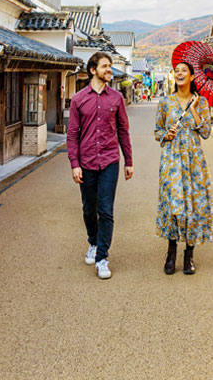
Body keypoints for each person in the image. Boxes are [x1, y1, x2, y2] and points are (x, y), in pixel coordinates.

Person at [67, 51, 134, 279]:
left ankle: (102, 257)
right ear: (93, 70)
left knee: (106, 210)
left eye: (111, 66)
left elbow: (123, 131)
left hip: (109, 161)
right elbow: (72, 135)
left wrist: (129, 161)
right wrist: (75, 164)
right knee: (89, 209)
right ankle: (93, 242)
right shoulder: (78, 99)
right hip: (85, 162)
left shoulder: (116, 98)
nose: (109, 70)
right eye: (105, 66)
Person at [154, 61, 213, 275]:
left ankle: (189, 254)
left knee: (193, 205)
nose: (179, 73)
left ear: (192, 77)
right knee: (173, 204)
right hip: (172, 160)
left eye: (184, 71)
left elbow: (206, 132)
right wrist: (167, 135)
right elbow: (157, 132)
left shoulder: (202, 102)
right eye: (177, 71)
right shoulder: (165, 102)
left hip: (194, 162)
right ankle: (171, 251)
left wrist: (194, 110)